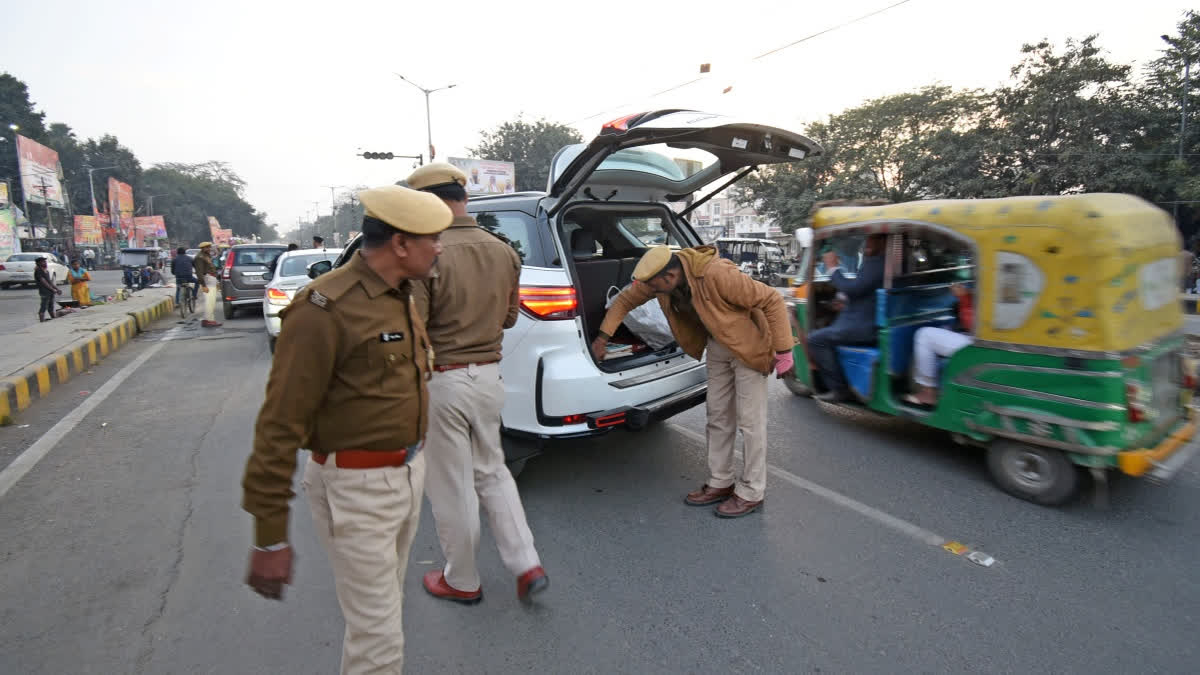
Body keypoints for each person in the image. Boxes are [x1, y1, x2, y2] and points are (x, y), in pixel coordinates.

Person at [242, 184, 451, 675]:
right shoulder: (324, 309)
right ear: (400, 244)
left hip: (405, 473)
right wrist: (269, 535)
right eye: (432, 238)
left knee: (376, 621)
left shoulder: (401, 295)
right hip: (357, 488)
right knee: (379, 637)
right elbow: (278, 426)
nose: (440, 248)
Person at [404, 163, 547, 605]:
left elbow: (415, 328)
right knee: (494, 472)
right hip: (489, 377)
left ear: (426, 202)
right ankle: (526, 563)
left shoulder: (428, 253)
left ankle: (462, 580)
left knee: (451, 483)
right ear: (464, 199)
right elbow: (508, 317)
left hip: (444, 380)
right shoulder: (503, 250)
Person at [591, 245, 794, 518]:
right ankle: (721, 482)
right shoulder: (659, 281)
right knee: (718, 416)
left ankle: (751, 492)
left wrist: (783, 351)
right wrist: (602, 338)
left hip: (749, 348)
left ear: (670, 276)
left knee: (750, 423)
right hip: (718, 347)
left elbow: (771, 299)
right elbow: (625, 301)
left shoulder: (717, 274)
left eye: (655, 286)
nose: (651, 291)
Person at [807, 234, 887, 403]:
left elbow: (853, 288)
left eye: (873, 238)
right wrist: (846, 301)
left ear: (883, 241)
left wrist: (832, 268)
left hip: (865, 326)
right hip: (869, 318)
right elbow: (863, 290)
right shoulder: (886, 263)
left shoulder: (877, 263)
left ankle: (839, 388)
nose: (868, 242)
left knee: (816, 339)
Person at [904, 283, 974, 406]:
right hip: (980, 337)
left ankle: (928, 392)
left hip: (978, 341)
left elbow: (972, 324)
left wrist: (964, 297)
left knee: (924, 335)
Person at [193, 242, 222, 328]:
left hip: (211, 279)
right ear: (202, 248)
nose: (209, 249)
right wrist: (203, 285)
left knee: (211, 301)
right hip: (207, 279)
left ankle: (207, 319)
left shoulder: (206, 255)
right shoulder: (200, 257)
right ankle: (209, 320)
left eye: (209, 247)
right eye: (207, 248)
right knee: (210, 301)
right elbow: (199, 272)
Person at [35, 257, 62, 322]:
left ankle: (53, 318)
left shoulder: (46, 270)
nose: (45, 263)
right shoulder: (38, 271)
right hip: (44, 291)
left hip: (50, 291)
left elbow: (49, 282)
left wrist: (57, 289)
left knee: (51, 306)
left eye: (45, 261)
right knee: (44, 306)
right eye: (43, 261)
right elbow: (44, 282)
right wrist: (53, 289)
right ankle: (42, 320)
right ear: (38, 263)